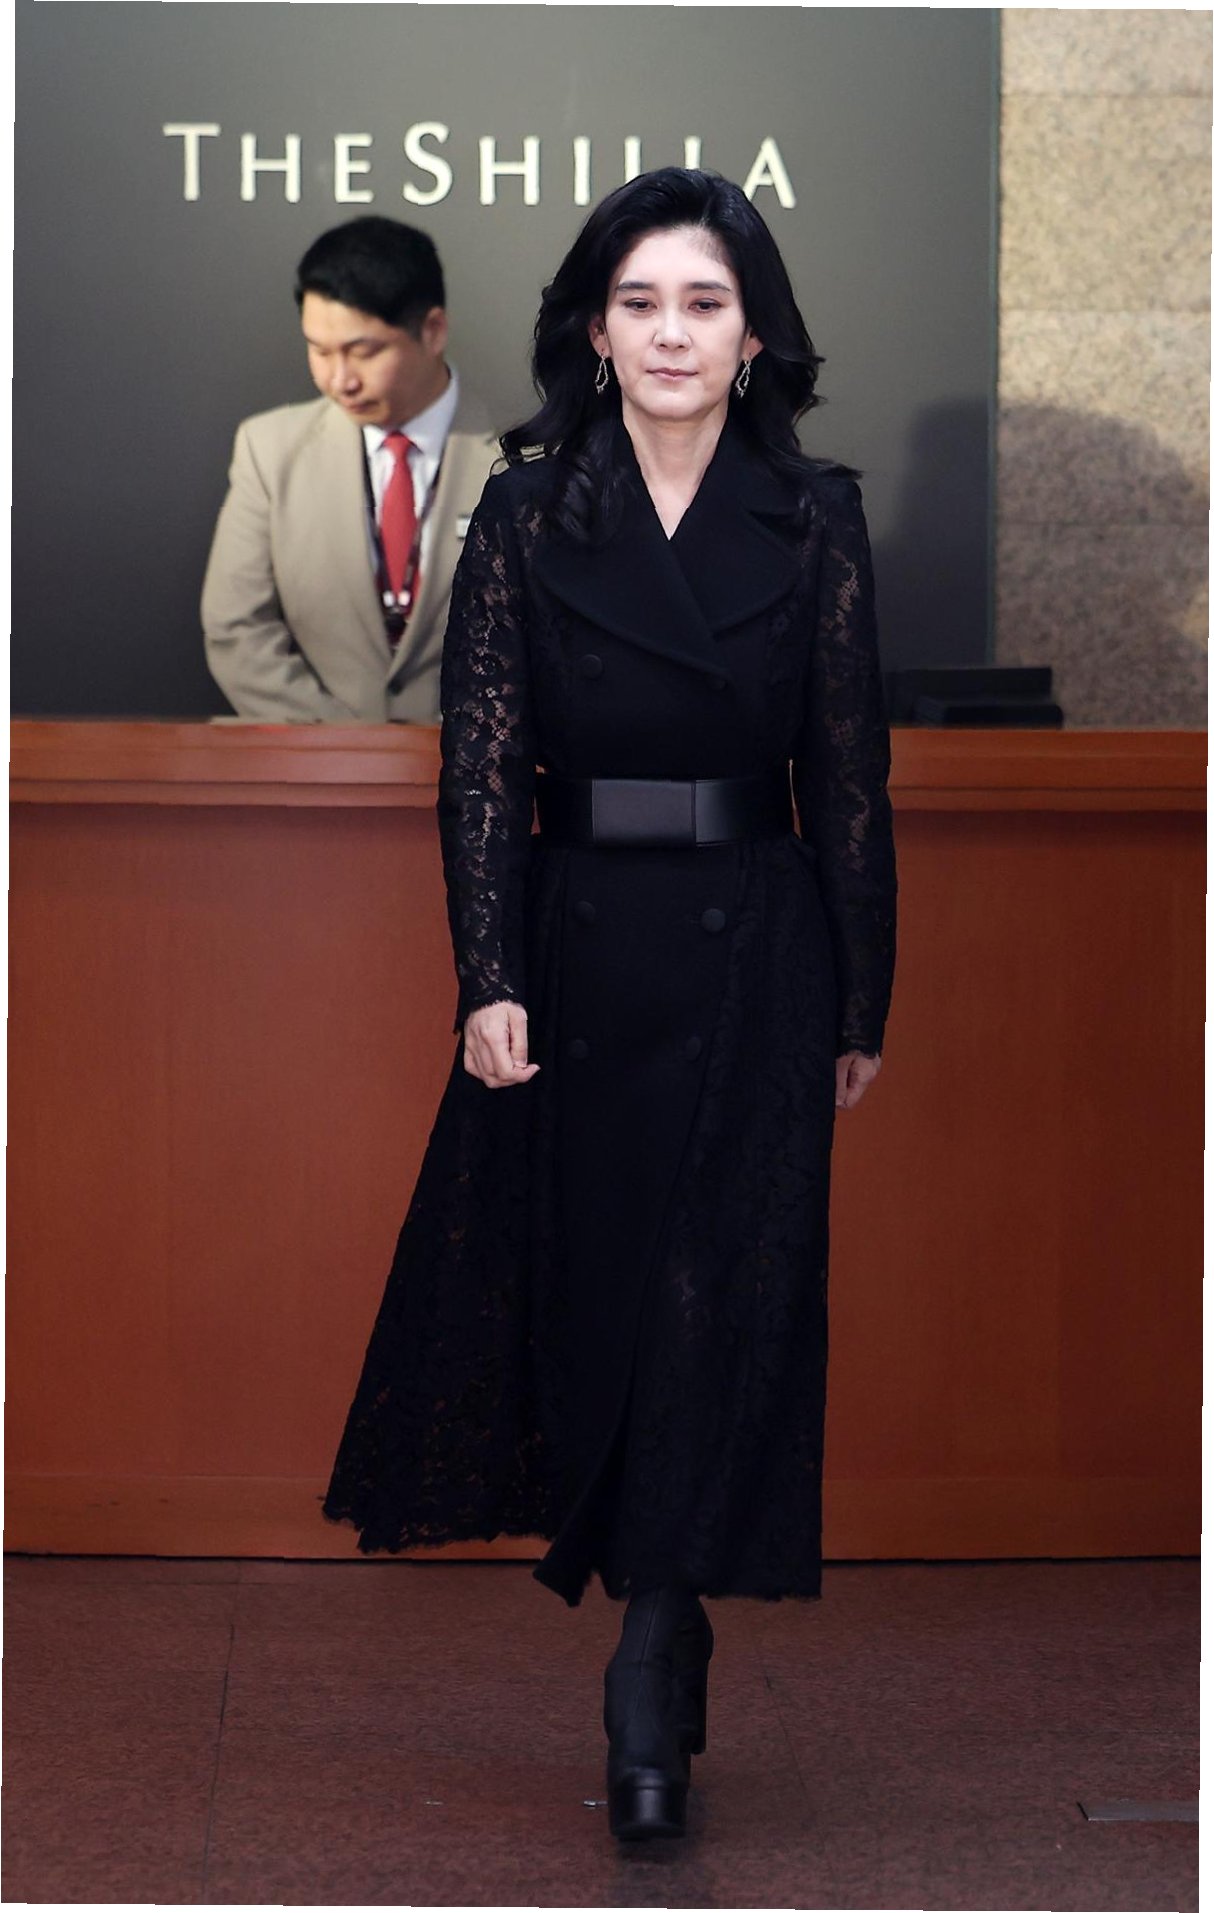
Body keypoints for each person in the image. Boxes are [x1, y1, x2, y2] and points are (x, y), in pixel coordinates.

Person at [323, 169, 897, 1842]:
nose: (669, 333)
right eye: (638, 302)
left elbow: (846, 776)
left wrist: (862, 991)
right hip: (575, 951)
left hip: (757, 954)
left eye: (703, 303)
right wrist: (487, 975)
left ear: (753, 334)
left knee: (714, 1299)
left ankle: (651, 1650)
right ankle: (654, 1600)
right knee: (597, 1293)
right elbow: (479, 772)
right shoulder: (524, 512)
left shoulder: (815, 514)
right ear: (594, 327)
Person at [201, 216, 498, 723]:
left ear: (432, 331)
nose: (339, 380)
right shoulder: (269, 450)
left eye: (364, 353)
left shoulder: (524, 456)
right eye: (319, 351)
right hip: (315, 758)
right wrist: (342, 743)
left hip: (478, 765)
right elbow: (238, 630)